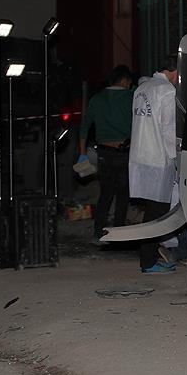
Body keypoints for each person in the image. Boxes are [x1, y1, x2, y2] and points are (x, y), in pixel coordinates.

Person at [129, 56, 179, 274]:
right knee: (157, 213)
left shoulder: (142, 88)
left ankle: (149, 257)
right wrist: (175, 159)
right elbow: (169, 129)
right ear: (174, 71)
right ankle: (148, 262)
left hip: (140, 155)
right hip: (159, 158)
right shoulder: (167, 91)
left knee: (151, 209)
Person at [78, 65, 135, 245]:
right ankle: (118, 234)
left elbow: (84, 127)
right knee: (123, 196)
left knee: (106, 194)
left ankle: (98, 233)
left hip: (104, 153)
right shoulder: (131, 97)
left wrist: (82, 153)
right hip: (125, 153)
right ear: (124, 80)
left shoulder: (97, 98)